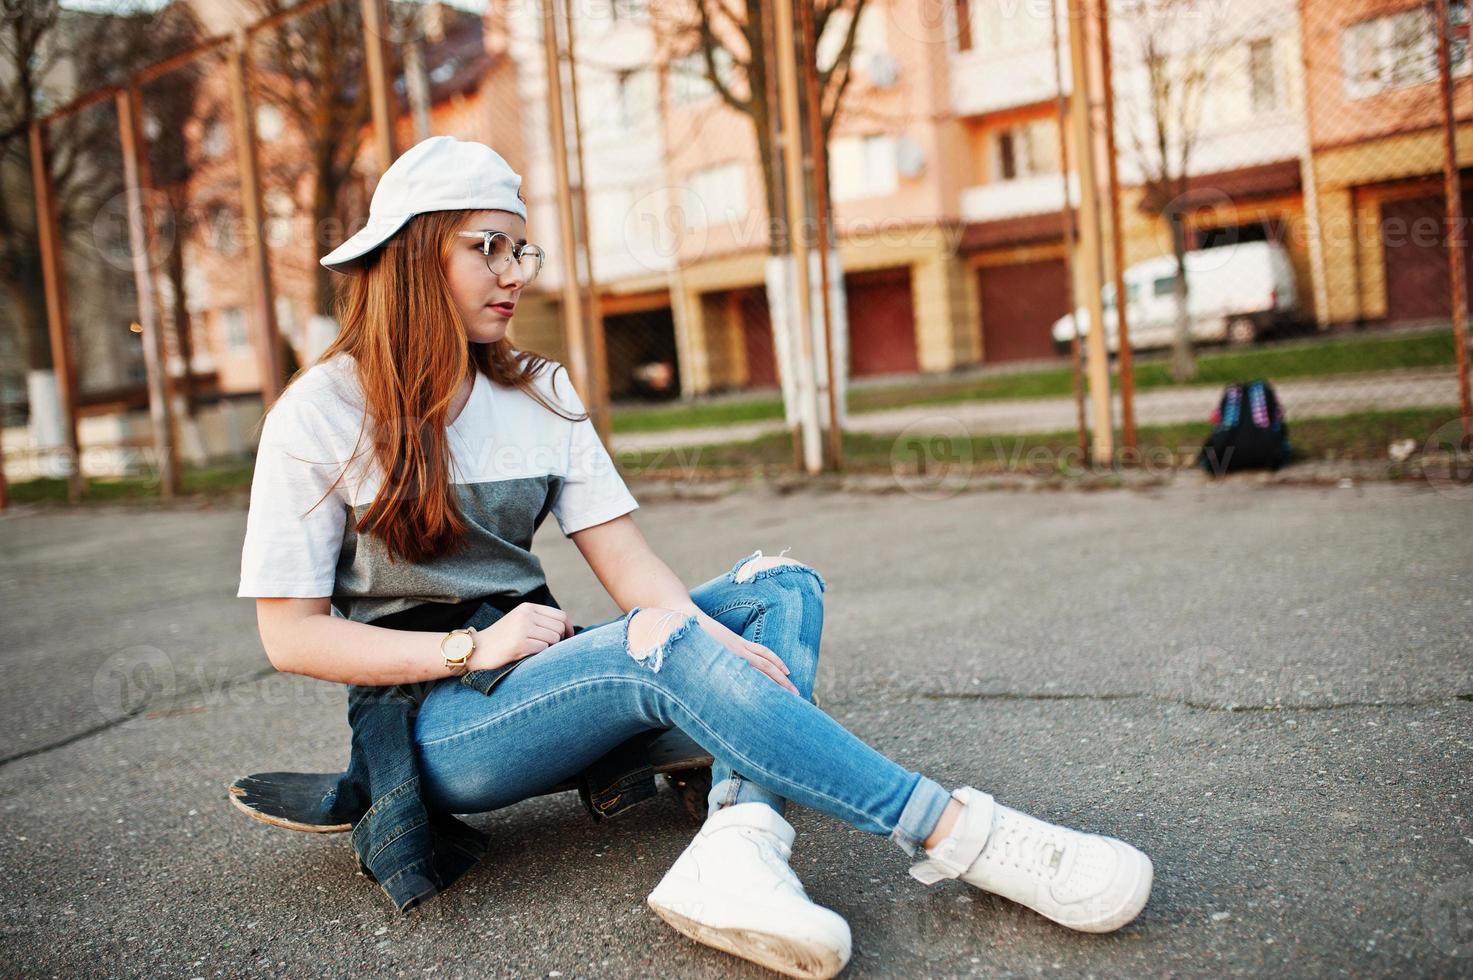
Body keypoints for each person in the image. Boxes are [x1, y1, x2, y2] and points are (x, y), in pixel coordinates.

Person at [238, 136, 1153, 979]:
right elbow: (292, 636)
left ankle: (737, 843)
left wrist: (691, 638)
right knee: (657, 641)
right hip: (439, 722)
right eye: (488, 247)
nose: (513, 273)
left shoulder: (539, 392)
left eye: (522, 250)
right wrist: (467, 651)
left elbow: (627, 563)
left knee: (775, 589)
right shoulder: (319, 412)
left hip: (548, 671)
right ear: (412, 249)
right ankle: (959, 835)